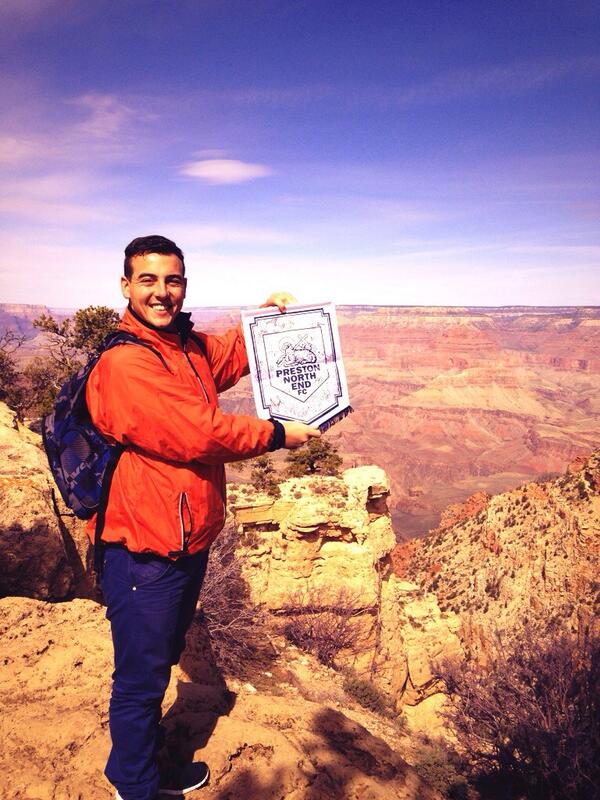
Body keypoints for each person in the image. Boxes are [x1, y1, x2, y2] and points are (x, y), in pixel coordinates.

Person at [85, 234, 320, 800]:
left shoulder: (184, 346)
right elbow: (198, 431)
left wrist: (266, 323)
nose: (162, 292)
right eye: (149, 280)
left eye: (173, 280)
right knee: (141, 677)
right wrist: (278, 434)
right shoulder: (126, 364)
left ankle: (145, 767)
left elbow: (229, 359)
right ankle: (134, 785)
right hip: (142, 546)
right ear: (126, 286)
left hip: (185, 537)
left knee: (161, 659)